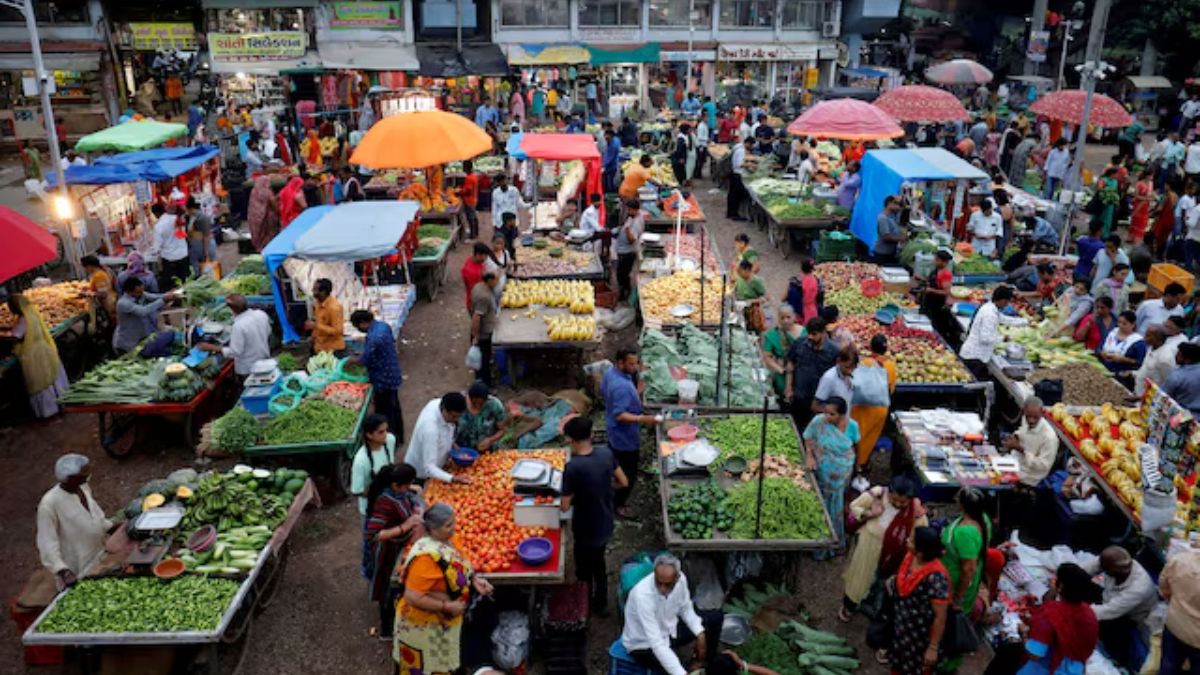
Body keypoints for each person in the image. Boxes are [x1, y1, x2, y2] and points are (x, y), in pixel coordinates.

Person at [392, 503, 495, 674]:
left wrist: (474, 579)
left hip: (446, 620)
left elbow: (459, 565)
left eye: (453, 522)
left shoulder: (449, 540)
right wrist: (446, 606)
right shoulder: (425, 558)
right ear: (432, 529)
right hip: (425, 623)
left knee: (446, 660)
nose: (454, 528)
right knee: (430, 664)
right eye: (448, 525)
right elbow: (413, 596)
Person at [560, 416, 626, 615]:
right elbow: (623, 482)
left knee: (583, 568)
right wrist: (604, 490)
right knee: (599, 563)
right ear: (591, 435)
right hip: (605, 521)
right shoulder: (606, 454)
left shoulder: (573, 468)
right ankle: (601, 603)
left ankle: (584, 604)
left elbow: (564, 506)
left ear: (570, 440)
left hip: (585, 526)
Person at [841, 476, 927, 621]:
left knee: (882, 581)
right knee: (860, 576)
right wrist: (871, 514)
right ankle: (849, 606)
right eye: (894, 500)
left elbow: (922, 531)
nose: (898, 504)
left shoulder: (915, 510)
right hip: (868, 545)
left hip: (894, 554)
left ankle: (872, 607)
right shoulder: (878, 494)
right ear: (889, 493)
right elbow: (854, 506)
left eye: (903, 502)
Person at [363, 463, 423, 641]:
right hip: (387, 551)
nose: (409, 487)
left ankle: (399, 615)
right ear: (396, 485)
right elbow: (374, 534)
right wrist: (405, 526)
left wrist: (415, 506)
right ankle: (386, 631)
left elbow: (408, 497)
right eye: (407, 484)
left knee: (397, 587)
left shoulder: (398, 491)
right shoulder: (384, 501)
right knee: (387, 590)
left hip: (400, 546)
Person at [621, 553, 708, 675]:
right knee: (673, 668)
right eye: (658, 582)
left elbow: (685, 608)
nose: (662, 589)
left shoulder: (681, 580)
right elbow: (656, 643)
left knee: (714, 619)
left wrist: (700, 633)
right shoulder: (642, 596)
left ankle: (700, 662)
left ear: (676, 578)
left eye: (667, 585)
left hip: (669, 630)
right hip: (644, 644)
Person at [37, 454, 113, 590]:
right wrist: (63, 571)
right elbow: (47, 544)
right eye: (84, 473)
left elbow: (93, 513)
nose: (88, 475)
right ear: (70, 478)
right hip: (76, 568)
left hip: (98, 555)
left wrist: (109, 526)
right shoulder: (49, 504)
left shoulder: (83, 487)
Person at [1076, 546, 1158, 670]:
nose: (1100, 568)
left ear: (1112, 571)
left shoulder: (1139, 587)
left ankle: (1117, 660)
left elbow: (1108, 611)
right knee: (1079, 585)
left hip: (1130, 616)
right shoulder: (1113, 564)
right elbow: (1082, 571)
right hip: (1110, 600)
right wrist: (1065, 581)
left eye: (1104, 569)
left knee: (1110, 628)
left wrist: (1073, 611)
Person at [603, 347, 659, 519]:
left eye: (636, 363)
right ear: (620, 363)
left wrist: (636, 392)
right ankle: (618, 505)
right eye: (632, 364)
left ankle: (611, 490)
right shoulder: (621, 387)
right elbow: (620, 415)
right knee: (628, 473)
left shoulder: (610, 373)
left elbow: (612, 399)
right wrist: (643, 419)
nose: (636, 367)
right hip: (624, 437)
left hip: (613, 431)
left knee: (616, 465)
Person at [1016, 563, 1102, 675]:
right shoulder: (1089, 615)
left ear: (1060, 586)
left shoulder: (1050, 614)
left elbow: (1035, 654)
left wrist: (1023, 634)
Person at [887, 527, 951, 675]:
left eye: (911, 540)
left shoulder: (936, 577)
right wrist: (894, 581)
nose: (907, 541)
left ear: (921, 552)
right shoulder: (911, 557)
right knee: (898, 663)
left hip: (919, 637)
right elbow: (903, 578)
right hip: (902, 628)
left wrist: (933, 648)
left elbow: (940, 616)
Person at [803, 397, 860, 556]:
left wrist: (857, 468)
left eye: (832, 414)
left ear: (842, 415)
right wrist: (810, 456)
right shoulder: (818, 421)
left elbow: (856, 446)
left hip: (842, 470)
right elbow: (808, 437)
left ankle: (833, 541)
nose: (827, 417)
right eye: (826, 412)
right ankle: (816, 542)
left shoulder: (852, 426)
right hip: (823, 469)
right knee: (820, 501)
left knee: (836, 503)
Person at [6, 293, 69, 418]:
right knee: (51, 377)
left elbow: (16, 336)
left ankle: (48, 411)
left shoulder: (23, 320)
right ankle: (61, 404)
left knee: (40, 381)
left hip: (33, 354)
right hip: (44, 348)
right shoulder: (32, 313)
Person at [350, 309, 404, 441]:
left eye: (358, 327)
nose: (359, 330)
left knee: (385, 411)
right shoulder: (383, 326)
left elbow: (365, 360)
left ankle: (388, 438)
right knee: (394, 407)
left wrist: (353, 361)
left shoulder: (374, 338)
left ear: (363, 323)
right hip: (392, 372)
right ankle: (399, 436)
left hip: (382, 379)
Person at [785, 317, 841, 429]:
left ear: (824, 333)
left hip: (818, 403)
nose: (810, 337)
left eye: (814, 334)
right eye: (809, 333)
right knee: (794, 426)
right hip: (798, 397)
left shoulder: (834, 351)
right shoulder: (800, 343)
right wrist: (789, 387)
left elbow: (838, 376)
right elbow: (791, 364)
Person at [852, 335, 898, 469]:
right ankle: (862, 463)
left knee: (857, 434)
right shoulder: (890, 365)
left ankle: (853, 463)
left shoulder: (864, 363)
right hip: (880, 408)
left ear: (870, 347)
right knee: (870, 436)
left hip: (861, 407)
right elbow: (891, 388)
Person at [197, 294, 271, 376]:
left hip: (249, 368)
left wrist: (211, 347)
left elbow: (234, 352)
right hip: (265, 360)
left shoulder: (239, 326)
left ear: (231, 309)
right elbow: (268, 332)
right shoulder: (261, 314)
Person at [405, 393, 470, 485]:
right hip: (420, 473)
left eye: (459, 416)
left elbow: (446, 432)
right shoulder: (430, 429)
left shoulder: (438, 403)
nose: (456, 420)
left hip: (439, 469)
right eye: (453, 416)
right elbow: (429, 467)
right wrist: (453, 478)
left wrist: (453, 444)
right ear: (444, 409)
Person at [1158, 540, 1200, 674]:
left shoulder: (1180, 560)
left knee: (1168, 665)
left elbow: (1164, 588)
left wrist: (1178, 602)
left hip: (1174, 624)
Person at [960, 286, 1017, 376]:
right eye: (1007, 302)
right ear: (1002, 300)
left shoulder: (990, 307)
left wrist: (1025, 322)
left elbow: (1002, 318)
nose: (1007, 305)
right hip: (975, 357)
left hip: (974, 355)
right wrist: (1003, 338)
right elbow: (985, 338)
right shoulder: (989, 314)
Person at [1002, 397, 1058, 488]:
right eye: (1028, 416)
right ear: (1024, 411)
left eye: (1035, 417)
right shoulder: (1025, 419)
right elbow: (1023, 431)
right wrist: (1016, 437)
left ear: (1042, 412)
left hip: (1029, 477)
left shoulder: (1049, 437)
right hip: (1016, 463)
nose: (1031, 420)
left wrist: (1021, 450)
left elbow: (1043, 466)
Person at [350, 414, 397, 516]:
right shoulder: (361, 460)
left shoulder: (390, 440)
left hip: (391, 502)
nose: (385, 434)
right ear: (369, 435)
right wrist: (377, 494)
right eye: (380, 432)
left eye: (386, 430)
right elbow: (357, 491)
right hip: (372, 508)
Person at [112, 277, 170, 354]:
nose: (142, 293)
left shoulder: (140, 294)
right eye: (139, 292)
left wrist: (169, 295)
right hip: (127, 343)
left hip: (140, 338)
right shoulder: (123, 303)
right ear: (129, 292)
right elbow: (143, 311)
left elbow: (155, 297)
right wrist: (163, 300)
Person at [761, 304, 804, 402]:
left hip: (801, 373)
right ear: (778, 319)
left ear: (794, 317)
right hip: (782, 375)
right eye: (782, 318)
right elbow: (767, 357)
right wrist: (780, 370)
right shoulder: (773, 335)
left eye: (788, 317)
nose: (785, 320)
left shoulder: (803, 332)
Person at [1099, 310, 1147, 388]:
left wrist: (1123, 359)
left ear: (1133, 325)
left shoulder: (1138, 342)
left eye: (1124, 324)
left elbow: (1139, 362)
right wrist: (1102, 353)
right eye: (1119, 322)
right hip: (1104, 370)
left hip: (1122, 377)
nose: (1120, 326)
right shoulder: (1113, 332)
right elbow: (1101, 346)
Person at [456, 382, 508, 452]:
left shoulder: (495, 406)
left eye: (481, 404)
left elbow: (503, 430)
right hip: (462, 450)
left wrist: (490, 440)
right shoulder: (460, 404)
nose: (477, 406)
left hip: (488, 450)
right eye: (474, 403)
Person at [470, 272, 499, 386]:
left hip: (482, 331)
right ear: (490, 280)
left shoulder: (478, 286)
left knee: (483, 360)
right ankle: (485, 384)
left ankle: (481, 380)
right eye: (496, 280)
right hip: (483, 333)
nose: (497, 283)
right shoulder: (484, 297)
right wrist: (476, 336)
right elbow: (477, 317)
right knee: (483, 361)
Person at [152, 204, 189, 291]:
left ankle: (176, 299)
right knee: (185, 279)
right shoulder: (177, 219)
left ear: (156, 214)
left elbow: (157, 246)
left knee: (173, 283)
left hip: (169, 258)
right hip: (183, 254)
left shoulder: (159, 226)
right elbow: (182, 234)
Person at [304, 278, 345, 355]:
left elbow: (338, 331)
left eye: (315, 289)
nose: (312, 291)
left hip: (333, 350)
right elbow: (319, 323)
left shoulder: (334, 308)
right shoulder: (318, 304)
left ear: (323, 292)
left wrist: (316, 326)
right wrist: (313, 337)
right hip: (319, 348)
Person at [615, 199, 644, 302]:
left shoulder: (636, 222)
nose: (627, 211)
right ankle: (625, 290)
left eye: (629, 209)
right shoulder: (634, 216)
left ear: (635, 210)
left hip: (627, 252)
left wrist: (626, 229)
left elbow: (632, 239)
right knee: (623, 274)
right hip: (623, 250)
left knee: (621, 274)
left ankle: (623, 295)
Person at [1163, 343, 1200, 417]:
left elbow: (1163, 398)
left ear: (1187, 359)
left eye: (1179, 354)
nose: (1175, 356)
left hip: (1181, 417)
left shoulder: (1176, 377)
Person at [246, 176, 280, 252]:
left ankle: (259, 247)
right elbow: (274, 205)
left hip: (255, 217)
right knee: (268, 235)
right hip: (267, 218)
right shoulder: (267, 192)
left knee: (258, 233)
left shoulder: (254, 191)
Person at [734, 259, 768, 333]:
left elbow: (766, 297)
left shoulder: (756, 281)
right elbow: (736, 288)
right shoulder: (740, 278)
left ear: (747, 270)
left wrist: (752, 301)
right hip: (740, 307)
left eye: (740, 271)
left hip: (752, 311)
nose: (738, 273)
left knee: (753, 330)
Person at [727, 138, 754, 221]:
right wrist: (749, 164)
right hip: (737, 175)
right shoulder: (741, 151)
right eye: (751, 145)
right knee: (736, 196)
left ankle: (730, 213)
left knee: (732, 195)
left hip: (734, 174)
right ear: (748, 143)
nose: (751, 147)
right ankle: (734, 214)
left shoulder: (737, 148)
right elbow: (740, 164)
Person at [460, 242, 490, 315]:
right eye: (484, 256)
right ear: (478, 255)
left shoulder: (472, 260)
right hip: (475, 303)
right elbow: (475, 291)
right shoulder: (471, 272)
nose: (486, 259)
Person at [873, 196, 904, 265]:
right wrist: (901, 239)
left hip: (891, 252)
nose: (898, 207)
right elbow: (886, 237)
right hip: (882, 254)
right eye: (897, 204)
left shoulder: (893, 216)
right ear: (889, 203)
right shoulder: (883, 218)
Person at [602, 129, 622, 193]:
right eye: (605, 136)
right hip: (612, 163)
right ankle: (608, 190)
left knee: (609, 181)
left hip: (611, 166)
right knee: (608, 179)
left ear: (611, 136)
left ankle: (609, 193)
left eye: (607, 137)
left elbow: (610, 158)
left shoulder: (613, 146)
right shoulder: (616, 139)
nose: (605, 138)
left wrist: (602, 165)